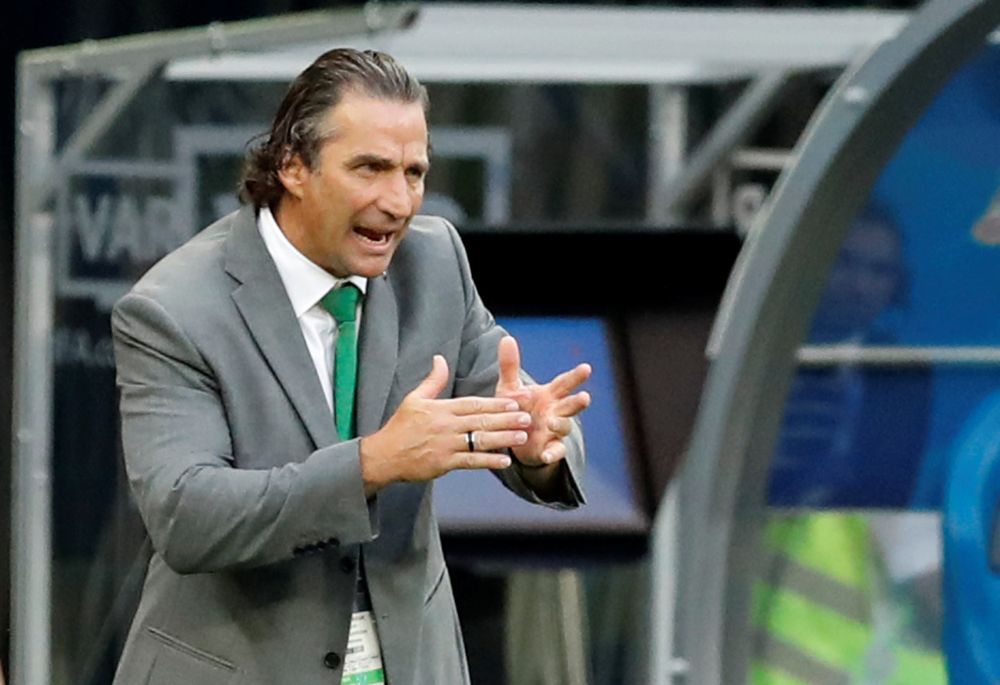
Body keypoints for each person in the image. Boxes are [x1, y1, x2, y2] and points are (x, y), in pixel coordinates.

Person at [110, 48, 590, 685]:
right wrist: (372, 464)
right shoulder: (174, 311)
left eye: (414, 172)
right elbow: (188, 516)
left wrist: (536, 446)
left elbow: (509, 403)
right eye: (370, 168)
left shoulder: (436, 263)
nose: (398, 201)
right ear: (292, 166)